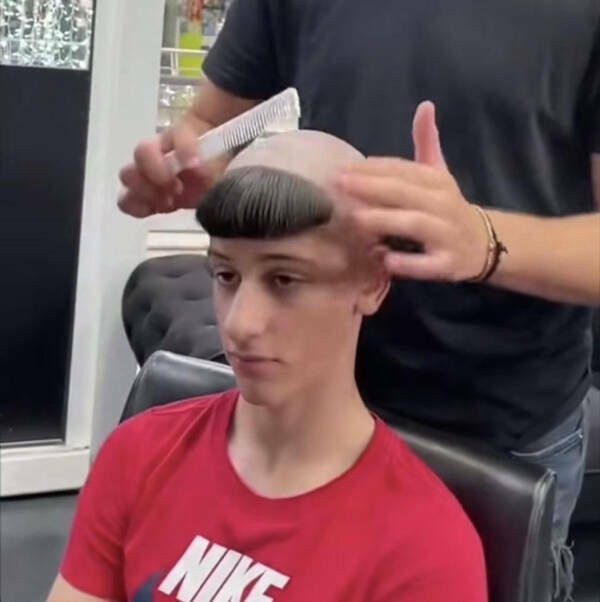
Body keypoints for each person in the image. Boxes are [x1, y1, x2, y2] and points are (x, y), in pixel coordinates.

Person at [118, 3, 600, 598]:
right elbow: (209, 126)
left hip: (504, 416)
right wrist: (194, 161)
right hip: (319, 397)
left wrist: (484, 240)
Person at [48, 131, 487, 602]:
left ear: (372, 283)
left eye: (284, 279)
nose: (240, 324)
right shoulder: (138, 456)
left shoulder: (423, 550)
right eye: (226, 275)